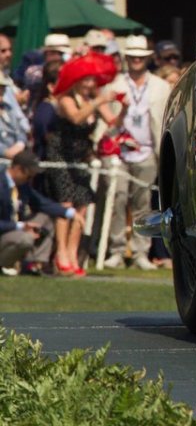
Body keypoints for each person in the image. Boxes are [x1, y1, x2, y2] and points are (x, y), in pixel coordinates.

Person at [44, 55, 125, 275]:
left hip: (80, 158)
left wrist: (122, 107)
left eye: (93, 80)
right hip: (61, 157)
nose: (91, 84)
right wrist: (98, 102)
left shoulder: (93, 100)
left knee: (82, 204)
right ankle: (61, 254)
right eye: (86, 80)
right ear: (77, 80)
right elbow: (77, 118)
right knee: (66, 205)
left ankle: (73, 254)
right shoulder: (66, 99)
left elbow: (113, 123)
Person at [102, 36, 171, 270]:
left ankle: (141, 252)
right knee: (118, 199)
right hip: (119, 152)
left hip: (147, 152)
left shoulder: (160, 86)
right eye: (132, 56)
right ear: (126, 57)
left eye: (140, 57)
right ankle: (116, 250)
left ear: (147, 58)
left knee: (143, 204)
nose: (136, 61)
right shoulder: (115, 84)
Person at [0, 151, 79, 276]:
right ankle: (3, 265)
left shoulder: (22, 186)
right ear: (18, 169)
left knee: (46, 218)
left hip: (13, 230)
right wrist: (21, 226)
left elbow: (42, 204)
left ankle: (35, 264)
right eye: (29, 175)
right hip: (5, 232)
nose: (30, 179)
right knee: (25, 238)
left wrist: (71, 213)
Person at [0, 71, 30, 159]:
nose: (2, 90)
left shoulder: (8, 108)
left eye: (3, 87)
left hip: (14, 161)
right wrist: (5, 151)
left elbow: (20, 130)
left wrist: (20, 144)